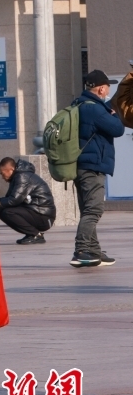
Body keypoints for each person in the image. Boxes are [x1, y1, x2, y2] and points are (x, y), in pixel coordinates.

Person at [68, 70, 125, 268]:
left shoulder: (78, 104)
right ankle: (81, 250)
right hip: (92, 167)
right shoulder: (95, 109)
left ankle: (93, 251)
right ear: (101, 89)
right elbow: (118, 129)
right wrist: (115, 115)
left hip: (81, 165)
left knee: (88, 209)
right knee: (94, 209)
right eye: (107, 87)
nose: (108, 91)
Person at [0, 157, 55, 244]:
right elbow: (9, 198)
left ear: (11, 169)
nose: (2, 177)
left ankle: (35, 235)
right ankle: (32, 234)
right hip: (38, 212)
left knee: (7, 212)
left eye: (3, 174)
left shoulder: (22, 177)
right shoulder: (19, 176)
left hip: (44, 216)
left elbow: (14, 200)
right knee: (4, 211)